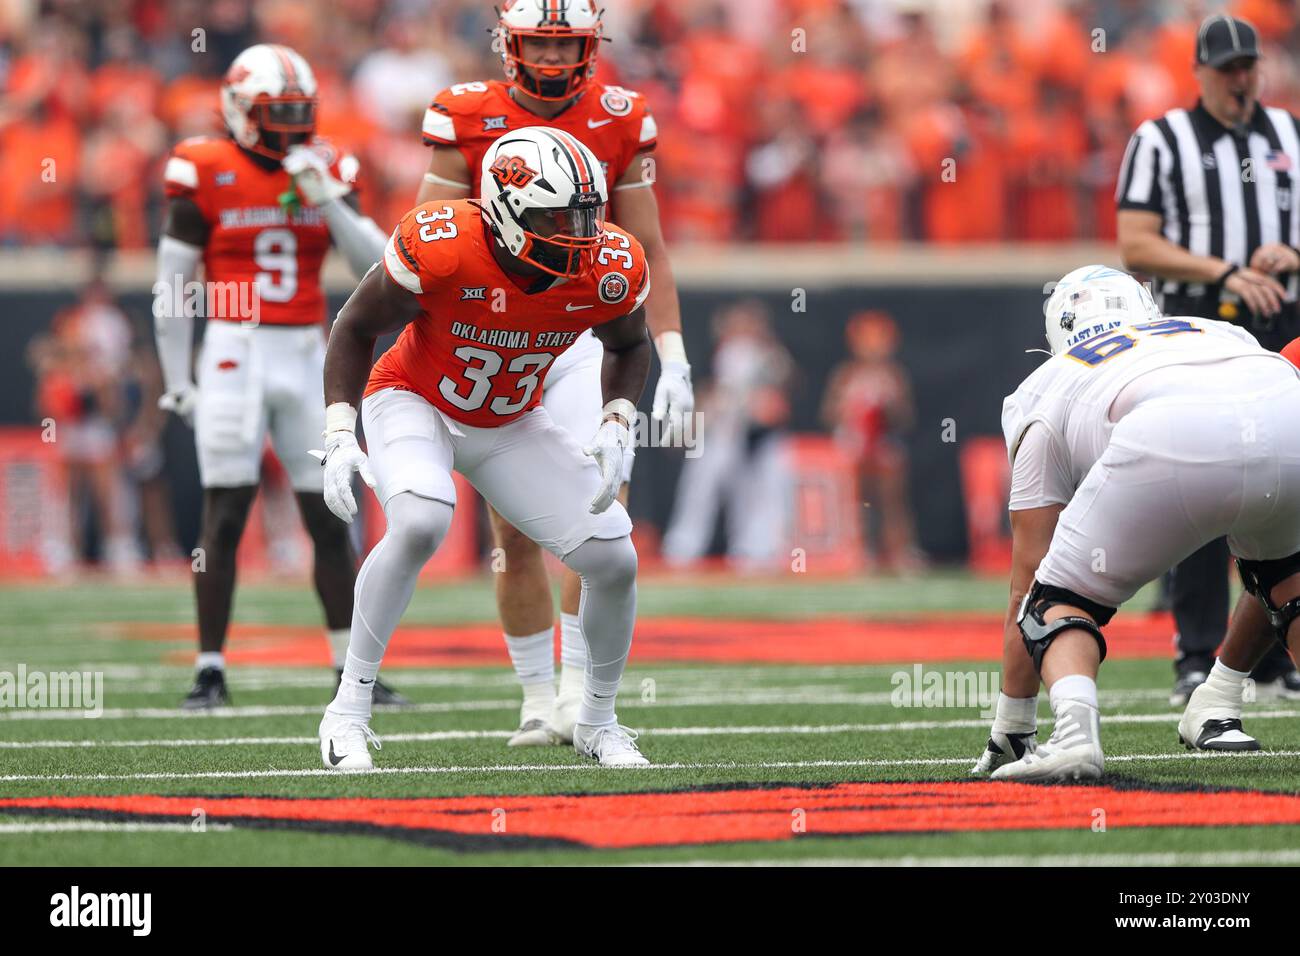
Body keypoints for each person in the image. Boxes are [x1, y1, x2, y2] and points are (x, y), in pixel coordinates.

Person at [315, 127, 651, 770]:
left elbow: (630, 343)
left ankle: (597, 721)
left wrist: (616, 420)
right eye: (558, 216)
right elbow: (355, 326)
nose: (579, 233)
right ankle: (348, 712)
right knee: (419, 520)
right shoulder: (443, 247)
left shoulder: (606, 264)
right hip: (416, 399)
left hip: (509, 420)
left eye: (586, 214)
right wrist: (337, 430)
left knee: (614, 558)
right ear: (504, 211)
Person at [412, 0, 692, 747]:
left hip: (587, 331)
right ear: (509, 43)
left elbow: (648, 247)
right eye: (540, 43)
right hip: (500, 328)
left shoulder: (620, 115)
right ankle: (538, 698)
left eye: (568, 45)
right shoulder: (465, 113)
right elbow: (424, 239)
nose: (555, 60)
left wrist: (673, 352)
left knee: (601, 500)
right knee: (514, 525)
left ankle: (579, 696)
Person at [971, 265, 1300, 782]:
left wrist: (1013, 724)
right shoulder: (1215, 329)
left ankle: (1076, 737)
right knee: (1289, 580)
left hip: (1169, 434)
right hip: (1287, 410)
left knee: (1054, 599)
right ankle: (1219, 689)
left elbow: (1028, 577)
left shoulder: (1046, 384)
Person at [153, 44, 406, 709]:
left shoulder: (326, 164)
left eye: (300, 111)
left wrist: (329, 201)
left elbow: (380, 271)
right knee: (226, 510)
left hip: (305, 346)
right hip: (233, 346)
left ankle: (351, 671)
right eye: (277, 112)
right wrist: (176, 371)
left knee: (329, 514)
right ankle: (210, 668)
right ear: (239, 112)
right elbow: (174, 283)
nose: (292, 126)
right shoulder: (202, 165)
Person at [1116, 12, 1300, 704]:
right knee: (1202, 487)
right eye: (1226, 69)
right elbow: (1135, 242)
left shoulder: (1289, 134)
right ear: (1199, 72)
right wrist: (1222, 270)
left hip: (1282, 323)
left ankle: (1276, 653)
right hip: (1196, 325)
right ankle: (1197, 653)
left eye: (1248, 65)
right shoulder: (1161, 140)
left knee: (1283, 486)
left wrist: (1294, 256)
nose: (1240, 80)